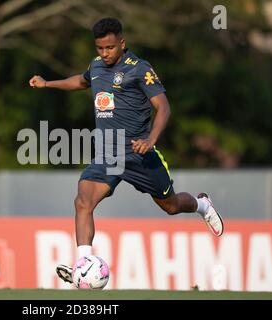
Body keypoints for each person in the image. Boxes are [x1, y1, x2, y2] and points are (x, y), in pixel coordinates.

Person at [29, 17, 224, 285]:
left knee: (171, 205)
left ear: (122, 43)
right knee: (83, 201)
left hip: (139, 153)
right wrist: (47, 83)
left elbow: (164, 107)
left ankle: (202, 204)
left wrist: (151, 140)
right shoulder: (96, 66)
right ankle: (83, 263)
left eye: (110, 47)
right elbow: (81, 82)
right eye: (100, 48)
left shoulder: (139, 69)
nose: (105, 53)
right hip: (109, 154)